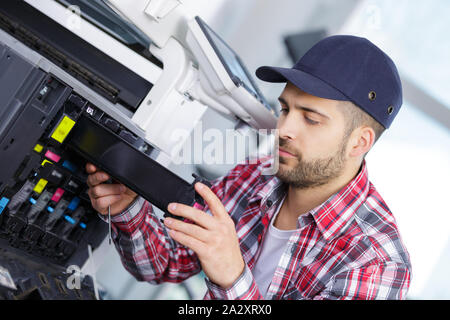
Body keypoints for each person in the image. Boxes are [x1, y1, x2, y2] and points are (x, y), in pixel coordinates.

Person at [86, 35, 411, 300]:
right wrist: (129, 209)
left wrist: (231, 277)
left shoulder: (377, 263)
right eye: (285, 109)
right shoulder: (258, 174)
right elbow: (165, 263)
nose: (283, 129)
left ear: (359, 142)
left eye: (311, 118)